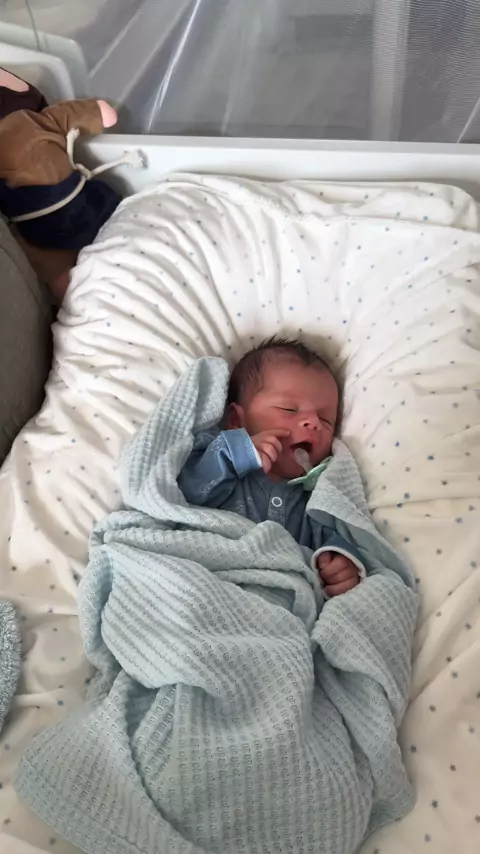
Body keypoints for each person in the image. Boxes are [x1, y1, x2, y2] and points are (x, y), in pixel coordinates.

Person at [178, 336, 365, 597]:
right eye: (289, 409)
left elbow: (335, 532)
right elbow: (185, 493)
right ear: (236, 420)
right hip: (200, 583)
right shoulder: (222, 462)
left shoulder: (316, 498)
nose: (312, 422)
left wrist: (340, 560)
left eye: (325, 420)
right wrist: (237, 451)